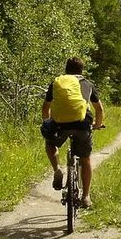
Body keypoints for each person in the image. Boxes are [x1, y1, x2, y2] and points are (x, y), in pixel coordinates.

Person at [40, 57, 104, 208]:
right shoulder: (88, 84)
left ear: (66, 69)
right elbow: (99, 109)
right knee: (85, 159)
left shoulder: (57, 83)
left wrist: (47, 123)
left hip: (59, 124)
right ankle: (86, 196)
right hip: (82, 125)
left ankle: (57, 170)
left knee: (50, 144)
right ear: (82, 70)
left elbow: (45, 108)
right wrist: (98, 124)